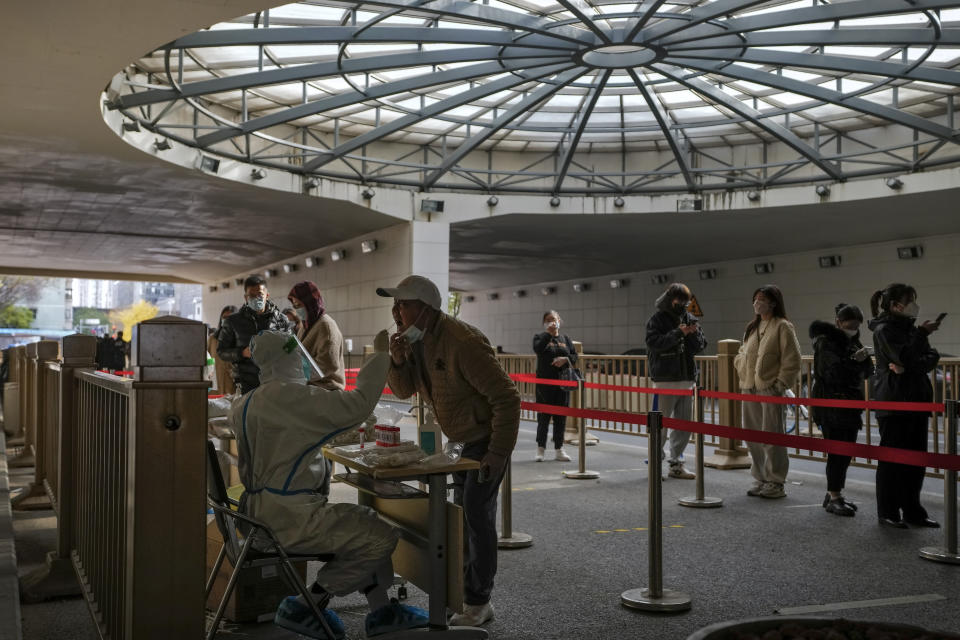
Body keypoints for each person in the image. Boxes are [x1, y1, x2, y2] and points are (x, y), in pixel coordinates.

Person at [229, 329, 428, 638]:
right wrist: (380, 357)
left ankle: (381, 610)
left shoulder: (247, 402)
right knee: (379, 536)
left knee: (363, 525)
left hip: (259, 516)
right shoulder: (295, 398)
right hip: (292, 520)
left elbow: (288, 436)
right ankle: (309, 602)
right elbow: (359, 404)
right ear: (290, 358)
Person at [377, 275, 520, 627]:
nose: (396, 312)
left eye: (403, 304)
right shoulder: (418, 339)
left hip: (485, 440)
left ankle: (478, 601)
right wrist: (397, 361)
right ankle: (462, 590)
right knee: (459, 516)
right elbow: (403, 390)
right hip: (459, 441)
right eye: (394, 305)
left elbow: (507, 398)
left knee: (476, 512)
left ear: (426, 309)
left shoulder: (462, 342)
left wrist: (497, 453)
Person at [868, 283, 942, 529]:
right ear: (894, 305)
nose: (914, 305)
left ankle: (913, 510)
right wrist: (919, 340)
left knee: (916, 460)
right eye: (909, 300)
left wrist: (908, 365)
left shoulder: (909, 329)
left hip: (917, 400)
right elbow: (907, 357)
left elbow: (931, 357)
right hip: (894, 401)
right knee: (892, 460)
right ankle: (888, 512)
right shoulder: (884, 330)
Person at [734, 285, 802, 499]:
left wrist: (780, 384)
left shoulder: (783, 326)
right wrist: (741, 366)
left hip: (770, 389)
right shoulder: (752, 327)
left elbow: (792, 358)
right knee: (753, 435)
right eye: (755, 298)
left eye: (762, 299)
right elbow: (742, 353)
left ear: (773, 302)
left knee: (772, 435)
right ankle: (761, 477)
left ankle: (775, 481)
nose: (757, 303)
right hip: (749, 387)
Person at [810, 304, 874, 517]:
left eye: (857, 326)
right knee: (837, 452)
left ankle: (833, 493)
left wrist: (863, 360)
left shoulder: (853, 341)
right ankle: (835, 495)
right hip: (831, 403)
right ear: (838, 322)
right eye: (850, 325)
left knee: (846, 451)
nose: (853, 329)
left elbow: (866, 372)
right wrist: (854, 362)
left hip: (849, 404)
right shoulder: (825, 342)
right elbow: (833, 374)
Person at [645, 283, 707, 480]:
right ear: (669, 298)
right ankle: (654, 464)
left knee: (684, 425)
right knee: (659, 426)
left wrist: (693, 333)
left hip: (687, 380)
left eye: (686, 300)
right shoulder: (657, 319)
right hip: (664, 380)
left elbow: (701, 345)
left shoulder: (690, 318)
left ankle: (676, 464)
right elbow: (654, 343)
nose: (682, 304)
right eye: (679, 299)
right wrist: (679, 333)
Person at [217, 275, 290, 395]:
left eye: (260, 294)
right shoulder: (233, 321)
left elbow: (293, 345)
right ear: (246, 297)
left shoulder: (281, 320)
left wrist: (281, 351)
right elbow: (221, 351)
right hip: (246, 382)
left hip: (276, 380)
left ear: (267, 295)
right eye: (252, 295)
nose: (257, 298)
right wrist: (242, 352)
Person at [532, 310, 576, 462]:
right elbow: (538, 349)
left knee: (560, 418)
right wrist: (548, 334)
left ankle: (559, 449)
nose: (552, 322)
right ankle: (540, 449)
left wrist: (566, 359)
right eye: (549, 320)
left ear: (559, 321)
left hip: (563, 384)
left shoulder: (566, 338)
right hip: (544, 385)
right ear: (544, 322)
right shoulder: (540, 337)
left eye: (555, 319)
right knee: (543, 418)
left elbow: (574, 356)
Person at [288, 281, 346, 391]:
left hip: (326, 388)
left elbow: (328, 365)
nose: (297, 310)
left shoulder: (326, 326)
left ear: (310, 303)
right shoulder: (305, 326)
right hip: (310, 386)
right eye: (294, 306)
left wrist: (296, 372)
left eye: (299, 305)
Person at [208, 305, 237, 395]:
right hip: (215, 387)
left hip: (233, 389)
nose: (227, 320)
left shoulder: (240, 340)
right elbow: (208, 358)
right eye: (224, 317)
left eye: (230, 317)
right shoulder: (213, 339)